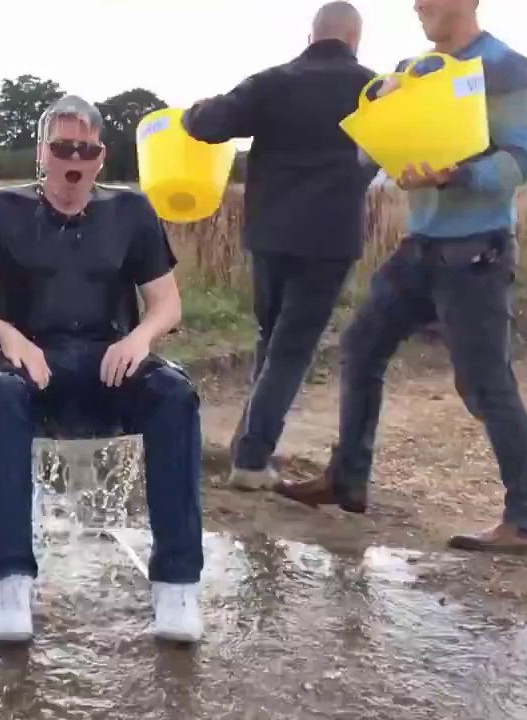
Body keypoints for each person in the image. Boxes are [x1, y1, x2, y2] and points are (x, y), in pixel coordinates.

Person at [275, 0, 527, 558]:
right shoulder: (410, 71)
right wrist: (377, 128)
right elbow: (369, 161)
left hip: (477, 252)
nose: (417, 4)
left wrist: (456, 173)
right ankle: (348, 479)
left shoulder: (503, 66)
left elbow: (517, 165)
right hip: (421, 248)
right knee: (360, 346)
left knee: (484, 384)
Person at [0, 95, 205, 644]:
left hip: (107, 358)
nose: (74, 160)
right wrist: (10, 337)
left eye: (85, 150)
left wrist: (140, 337)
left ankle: (177, 582)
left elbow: (167, 303)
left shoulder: (132, 212)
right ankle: (10, 578)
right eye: (62, 147)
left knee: (175, 394)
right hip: (29, 358)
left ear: (101, 157)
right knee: (0, 394)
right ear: (42, 152)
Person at [181, 1, 377, 490]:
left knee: (272, 342)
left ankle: (249, 443)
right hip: (330, 239)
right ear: (355, 40)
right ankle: (251, 457)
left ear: (311, 38)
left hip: (269, 235)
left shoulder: (272, 82)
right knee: (289, 351)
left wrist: (194, 112)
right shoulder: (373, 89)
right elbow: (398, 151)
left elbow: (208, 125)